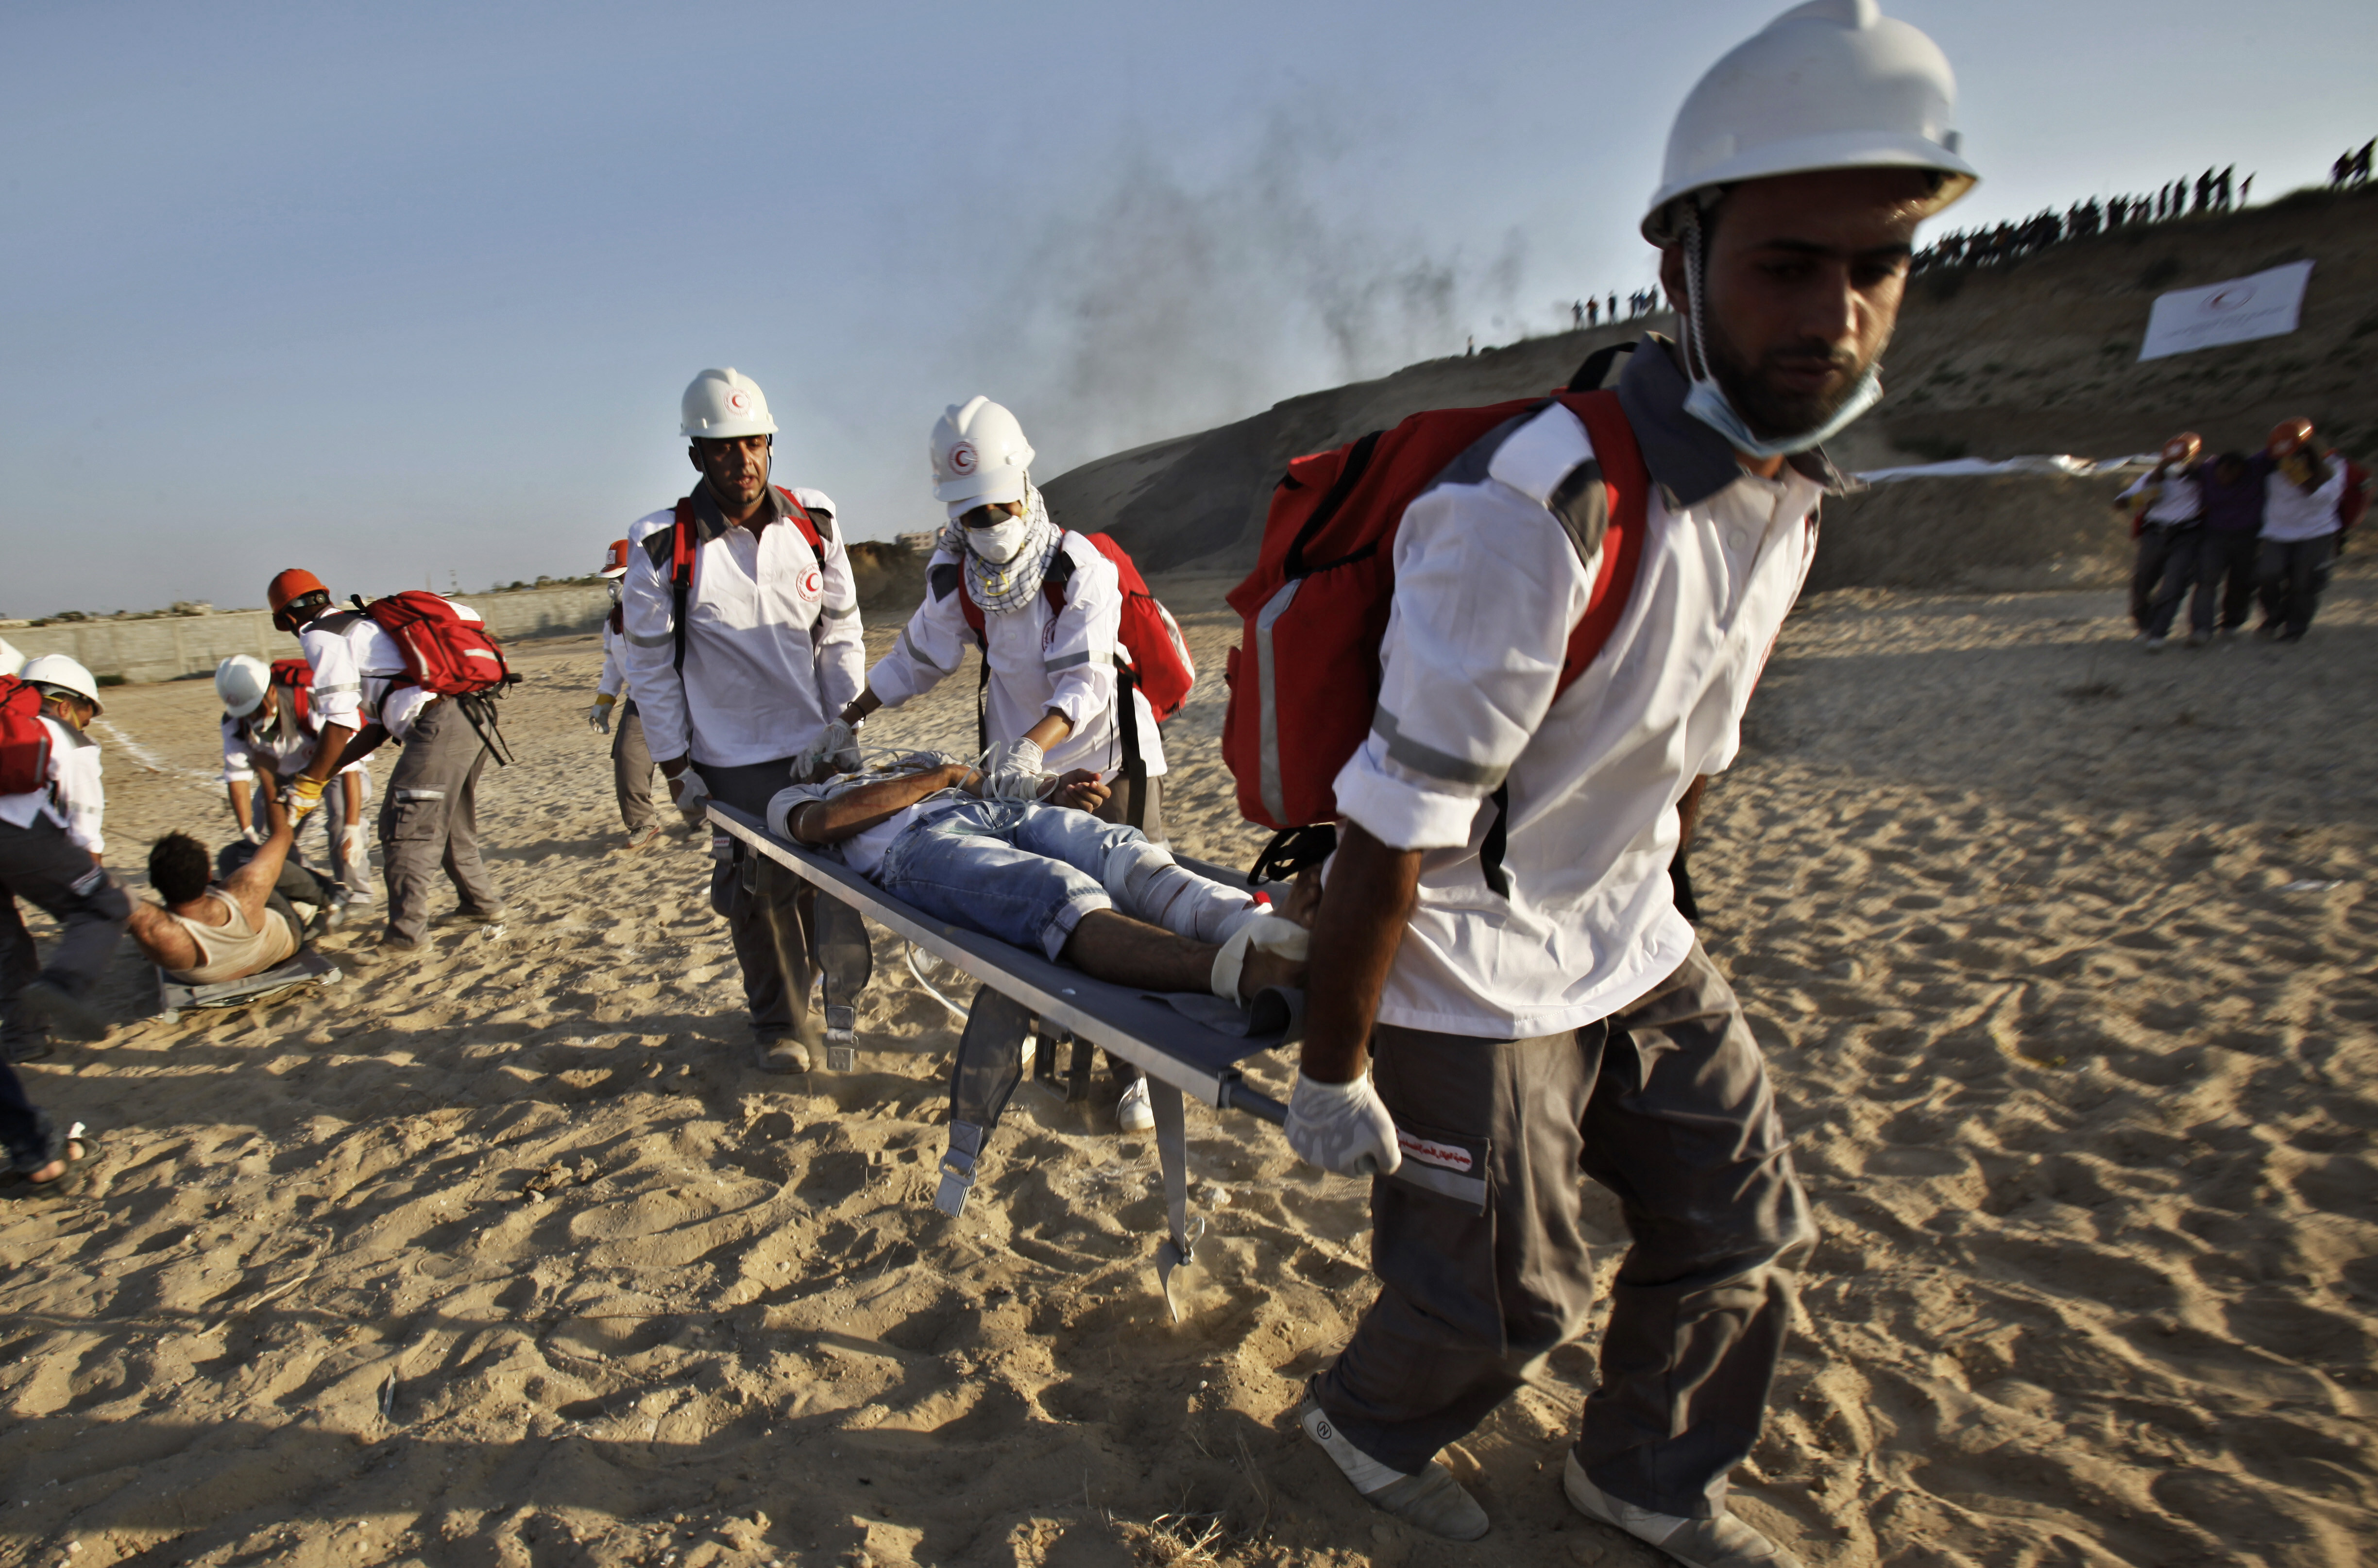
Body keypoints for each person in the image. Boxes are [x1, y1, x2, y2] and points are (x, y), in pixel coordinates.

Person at [1280, 3, 1978, 1561]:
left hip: (1629, 933)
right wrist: (1335, 1071)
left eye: (1876, 269)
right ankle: (1360, 1422)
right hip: (1464, 960)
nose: (1839, 314)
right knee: (1505, 1293)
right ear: (1682, 263)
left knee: (1740, 1227)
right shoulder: (1548, 503)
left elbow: (1697, 747)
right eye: (1789, 265)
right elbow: (1390, 827)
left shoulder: (1789, 492)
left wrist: (1668, 912)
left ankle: (1646, 1475)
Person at [835, 396, 1174, 1129]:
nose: (988, 525)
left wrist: (1032, 744)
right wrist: (849, 719)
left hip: (1107, 758)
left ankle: (1136, 1071)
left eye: (995, 506)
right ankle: (1061, 1041)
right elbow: (921, 657)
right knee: (1055, 902)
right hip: (1027, 774)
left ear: (1023, 483)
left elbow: (1085, 679)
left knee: (1131, 900)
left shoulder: (1078, 565)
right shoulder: (959, 573)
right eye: (971, 514)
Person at [619, 368, 866, 1074]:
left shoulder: (815, 522)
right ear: (697, 455)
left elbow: (840, 634)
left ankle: (829, 1004)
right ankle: (779, 1027)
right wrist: (675, 768)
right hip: (730, 759)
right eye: (724, 448)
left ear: (770, 443)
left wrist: (845, 724)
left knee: (833, 890)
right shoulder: (661, 546)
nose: (744, 460)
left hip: (817, 749)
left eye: (754, 443)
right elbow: (652, 670)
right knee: (758, 897)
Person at [765, 754, 1309, 1003]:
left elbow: (991, 784)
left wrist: (1053, 790)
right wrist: (943, 777)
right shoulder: (801, 795)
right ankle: (1234, 972)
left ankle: (1264, 927)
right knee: (1052, 892)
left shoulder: (908, 759)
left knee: (1118, 851)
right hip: (920, 849)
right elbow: (823, 825)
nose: (834, 755)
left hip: (998, 813)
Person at [265, 569, 504, 951]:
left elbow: (341, 720)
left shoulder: (319, 635)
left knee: (404, 827)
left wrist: (308, 782)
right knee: (450, 823)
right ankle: (480, 904)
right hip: (475, 716)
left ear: (285, 619)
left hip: (440, 722)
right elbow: (374, 726)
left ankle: (407, 936)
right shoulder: (361, 626)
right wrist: (325, 773)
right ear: (324, 597)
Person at [1, 655, 130, 1052]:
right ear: (64, 706)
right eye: (85, 715)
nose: (85, 726)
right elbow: (85, 837)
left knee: (7, 939)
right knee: (106, 904)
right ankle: (62, 987)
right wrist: (92, 893)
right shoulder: (69, 741)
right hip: (15, 835)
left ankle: (23, 1039)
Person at [213, 654, 376, 905]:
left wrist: (352, 827)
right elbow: (237, 779)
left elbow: (348, 768)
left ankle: (358, 896)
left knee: (341, 826)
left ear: (272, 692)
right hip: (284, 775)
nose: (253, 717)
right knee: (268, 840)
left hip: (332, 768)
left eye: (257, 708)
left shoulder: (312, 704)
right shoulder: (235, 724)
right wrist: (248, 832)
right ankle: (314, 888)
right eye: (247, 712)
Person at [126, 806, 317, 986]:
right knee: (236, 857)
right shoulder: (244, 893)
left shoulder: (160, 932)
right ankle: (323, 898)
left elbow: (102, 888)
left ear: (154, 884)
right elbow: (282, 835)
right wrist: (269, 781)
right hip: (284, 940)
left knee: (251, 879)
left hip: (210, 974)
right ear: (209, 875)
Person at [588, 539, 662, 852]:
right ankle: (644, 823)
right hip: (640, 699)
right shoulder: (614, 621)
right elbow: (613, 664)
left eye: (619, 579)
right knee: (628, 757)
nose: (613, 587)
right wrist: (604, 702)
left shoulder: (663, 608)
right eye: (612, 580)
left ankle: (702, 819)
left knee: (695, 761)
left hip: (678, 694)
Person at [2257, 417, 2348, 642]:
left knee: (2304, 583)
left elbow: (2326, 498)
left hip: (2317, 531)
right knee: (2267, 574)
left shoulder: (2334, 464)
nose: (2284, 458)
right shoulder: (2270, 464)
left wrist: (2301, 477)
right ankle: (2275, 615)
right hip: (2277, 532)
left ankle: (2295, 629)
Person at [2116, 433, 2206, 650]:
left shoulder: (2202, 479)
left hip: (2186, 535)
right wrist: (2142, 497)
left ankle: (2159, 632)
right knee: (2142, 584)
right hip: (2155, 534)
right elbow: (2120, 502)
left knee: (2174, 585)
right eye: (2171, 460)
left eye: (2181, 460)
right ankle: (2145, 626)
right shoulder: (2151, 478)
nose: (2176, 465)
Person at [2190, 451, 2264, 641]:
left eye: (2232, 474)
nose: (2226, 479)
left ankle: (2232, 622)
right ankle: (2201, 628)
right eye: (2222, 473)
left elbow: (2275, 452)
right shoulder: (2206, 470)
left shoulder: (2255, 469)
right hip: (2214, 535)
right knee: (2206, 581)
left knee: (2241, 582)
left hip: (2248, 537)